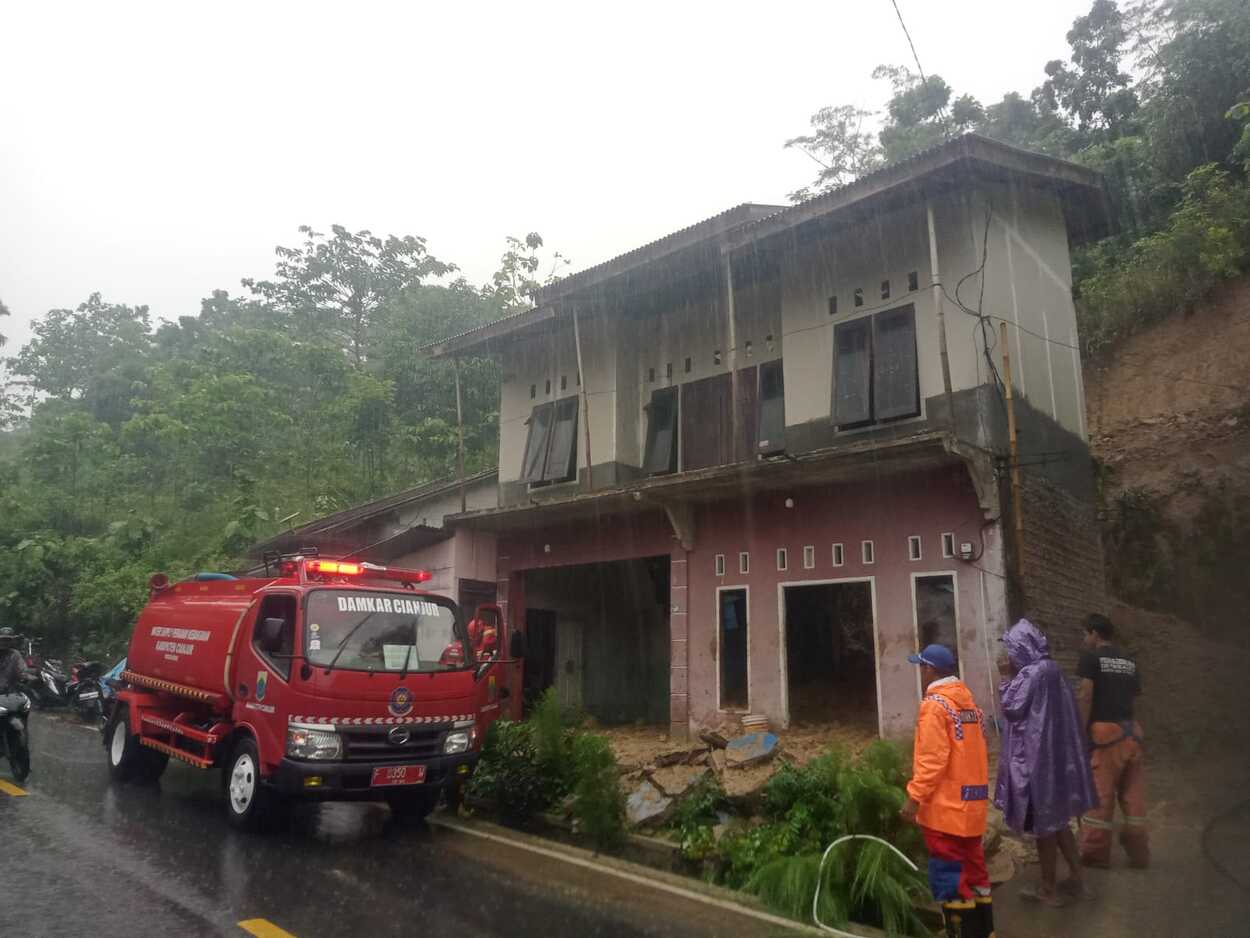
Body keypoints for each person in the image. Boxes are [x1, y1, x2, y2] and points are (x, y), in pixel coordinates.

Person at [995, 619, 1098, 906]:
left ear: (1022, 648)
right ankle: (1077, 879)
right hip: (1056, 761)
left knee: (1044, 826)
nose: (1009, 657)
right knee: (1059, 822)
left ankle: (1048, 889)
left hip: (1036, 763)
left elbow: (1013, 708)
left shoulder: (1031, 673)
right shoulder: (1053, 669)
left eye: (1012, 650)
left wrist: (1005, 678)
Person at [901, 644, 994, 938]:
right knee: (976, 872)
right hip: (973, 805)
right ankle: (984, 932)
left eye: (921, 668)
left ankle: (959, 933)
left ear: (930, 670)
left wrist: (914, 799)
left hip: (945, 811)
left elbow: (932, 761)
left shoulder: (935, 706)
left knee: (949, 877)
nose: (920, 673)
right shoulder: (970, 706)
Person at [1076, 613, 1149, 868]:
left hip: (1106, 736)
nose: (1084, 639)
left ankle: (1094, 855)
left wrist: (1079, 730)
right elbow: (1133, 696)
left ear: (1095, 634)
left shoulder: (1091, 659)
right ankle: (1139, 853)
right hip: (1132, 732)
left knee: (1100, 798)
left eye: (1085, 634)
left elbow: (1086, 695)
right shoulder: (1129, 661)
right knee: (1133, 795)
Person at [0, 627, 27, 694]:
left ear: (12, 641)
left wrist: (31, 674)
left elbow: (22, 670)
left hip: (8, 692)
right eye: (3, 639)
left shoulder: (15, 654)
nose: (5, 642)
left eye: (8, 640)